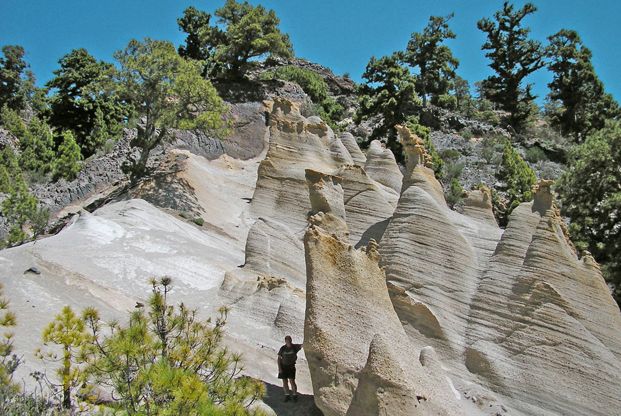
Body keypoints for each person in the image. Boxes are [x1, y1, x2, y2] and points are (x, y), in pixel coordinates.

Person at [277, 335, 303, 402]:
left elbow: (302, 345)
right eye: (287, 340)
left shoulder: (295, 347)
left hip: (291, 367)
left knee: (292, 381)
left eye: (289, 340)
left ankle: (294, 395)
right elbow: (279, 358)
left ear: (291, 340)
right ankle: (287, 395)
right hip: (283, 367)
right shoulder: (283, 348)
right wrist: (280, 368)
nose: (288, 341)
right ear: (285, 341)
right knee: (285, 382)